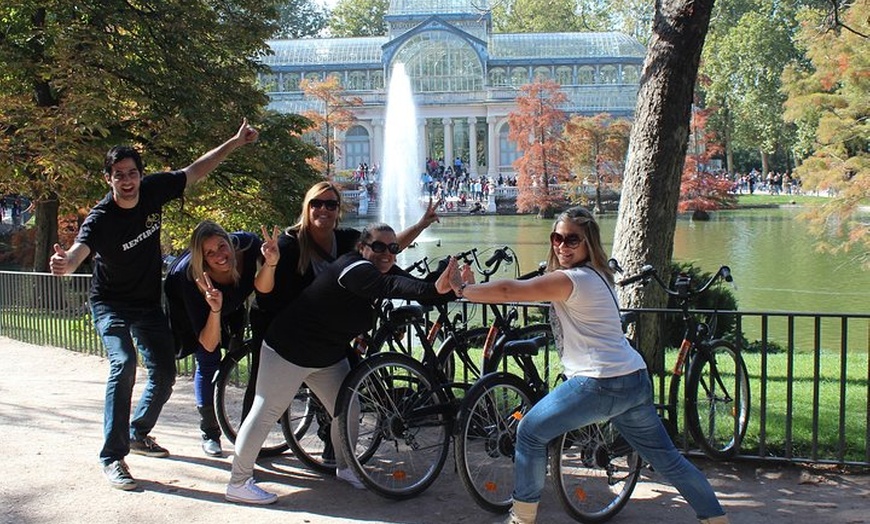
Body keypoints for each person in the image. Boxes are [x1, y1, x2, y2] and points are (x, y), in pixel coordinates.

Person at [446, 206, 729, 524]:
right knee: (668, 461)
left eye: (572, 240)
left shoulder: (572, 280)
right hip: (632, 379)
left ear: (588, 242)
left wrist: (463, 289)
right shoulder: (598, 274)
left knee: (529, 432)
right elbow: (515, 287)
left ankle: (521, 518)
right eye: (557, 238)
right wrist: (475, 289)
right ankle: (716, 520)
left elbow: (511, 290)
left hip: (599, 382)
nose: (562, 246)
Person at [48, 120, 259, 491]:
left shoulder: (153, 191)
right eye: (118, 175)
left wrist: (235, 142)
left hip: (147, 304)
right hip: (110, 304)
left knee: (163, 372)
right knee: (124, 363)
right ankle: (112, 457)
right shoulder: (101, 219)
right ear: (108, 179)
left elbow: (196, 170)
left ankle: (137, 432)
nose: (126, 181)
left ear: (140, 176)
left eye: (132, 174)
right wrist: (67, 264)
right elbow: (81, 248)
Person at [225, 223, 456, 504]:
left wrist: (450, 287)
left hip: (328, 356)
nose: (387, 254)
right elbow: (391, 287)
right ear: (362, 247)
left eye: (393, 248)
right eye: (379, 246)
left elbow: (415, 287)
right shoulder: (354, 268)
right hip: (289, 350)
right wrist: (436, 286)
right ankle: (238, 482)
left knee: (348, 408)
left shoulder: (381, 269)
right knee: (265, 411)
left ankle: (346, 467)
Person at [246, 181, 439, 413]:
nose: (323, 209)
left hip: (322, 327)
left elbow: (383, 248)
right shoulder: (288, 244)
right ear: (307, 207)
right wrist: (270, 263)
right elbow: (263, 289)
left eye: (331, 204)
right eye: (317, 203)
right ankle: (249, 436)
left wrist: (420, 225)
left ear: (338, 210)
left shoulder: (347, 239)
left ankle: (332, 441)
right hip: (277, 320)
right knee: (261, 391)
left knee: (344, 384)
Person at [163, 221, 279, 457]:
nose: (220, 255)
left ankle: (244, 429)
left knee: (234, 348)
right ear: (202, 258)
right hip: (197, 306)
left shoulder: (248, 246)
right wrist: (214, 310)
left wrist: (271, 262)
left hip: (232, 301)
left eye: (222, 246)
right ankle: (209, 431)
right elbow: (207, 341)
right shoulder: (190, 277)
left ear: (230, 242)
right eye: (210, 253)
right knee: (208, 359)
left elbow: (265, 284)